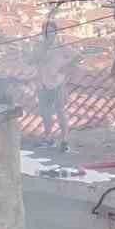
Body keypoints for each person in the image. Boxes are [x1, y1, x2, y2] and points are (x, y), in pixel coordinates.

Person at [33, 20, 70, 151]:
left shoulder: (62, 46)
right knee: (45, 112)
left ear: (56, 32)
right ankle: (48, 138)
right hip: (43, 82)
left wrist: (64, 70)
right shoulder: (39, 47)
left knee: (60, 111)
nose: (48, 34)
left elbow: (76, 58)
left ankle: (65, 140)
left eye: (51, 31)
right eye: (46, 32)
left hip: (58, 83)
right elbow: (35, 63)